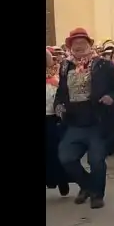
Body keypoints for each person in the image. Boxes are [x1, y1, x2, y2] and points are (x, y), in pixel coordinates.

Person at [54, 27, 114, 209]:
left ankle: (97, 194)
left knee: (96, 160)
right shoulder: (65, 66)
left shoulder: (103, 64)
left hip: (97, 122)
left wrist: (112, 97)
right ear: (70, 47)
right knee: (66, 157)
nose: (79, 46)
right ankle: (86, 186)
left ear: (89, 45)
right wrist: (59, 105)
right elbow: (61, 91)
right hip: (74, 123)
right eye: (75, 44)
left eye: (82, 43)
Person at [46, 49, 69, 196]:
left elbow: (62, 98)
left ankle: (61, 180)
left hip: (52, 119)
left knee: (55, 151)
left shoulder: (55, 79)